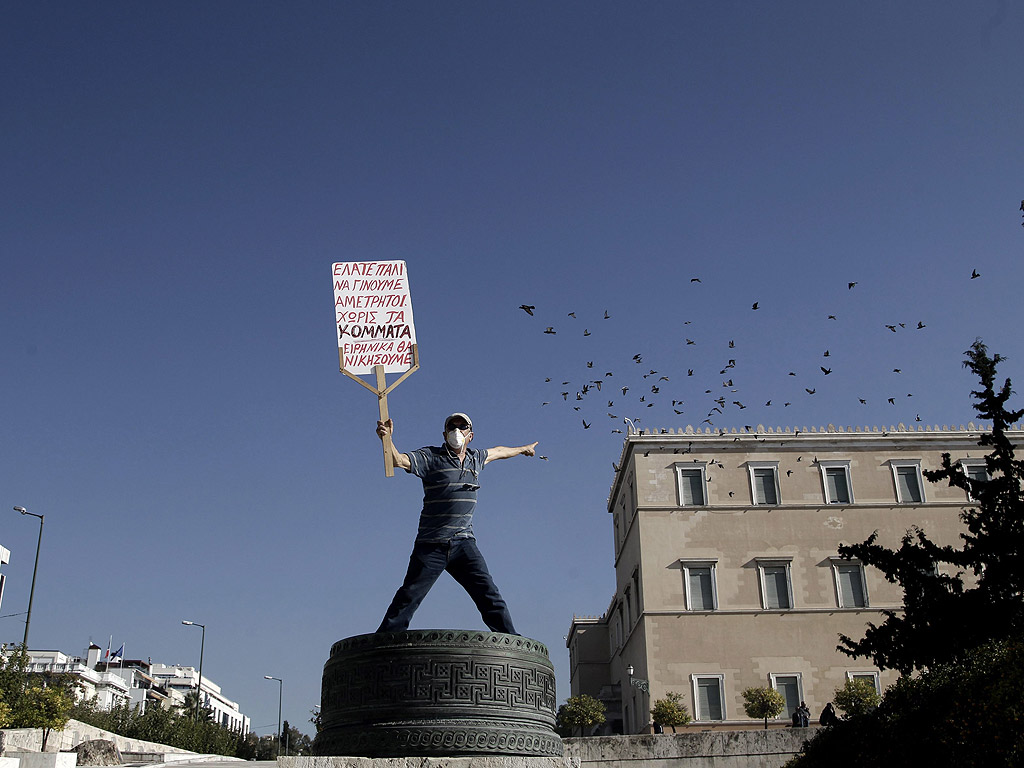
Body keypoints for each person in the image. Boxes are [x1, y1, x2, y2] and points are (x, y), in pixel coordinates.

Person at [374, 412, 538, 635]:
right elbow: (398, 460)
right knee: (409, 596)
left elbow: (499, 451)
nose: (457, 431)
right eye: (452, 427)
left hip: (464, 544)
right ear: (444, 434)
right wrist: (388, 440)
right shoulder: (431, 457)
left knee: (489, 595)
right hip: (431, 544)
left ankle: (512, 643)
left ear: (470, 435)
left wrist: (522, 449)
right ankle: (384, 642)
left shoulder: (476, 458)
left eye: (462, 427)